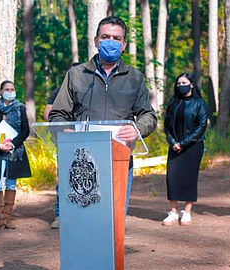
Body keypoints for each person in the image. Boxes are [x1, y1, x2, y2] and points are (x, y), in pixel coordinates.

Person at [49, 16, 157, 216]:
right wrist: (63, 129)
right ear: (96, 41)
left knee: (114, 220)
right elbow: (57, 114)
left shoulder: (134, 78)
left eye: (116, 38)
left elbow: (148, 115)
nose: (111, 42)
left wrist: (137, 129)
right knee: (84, 219)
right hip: (82, 161)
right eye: (105, 37)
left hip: (119, 158)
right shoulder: (76, 75)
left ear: (124, 45)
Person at [0, 80, 32, 231]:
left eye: (12, 89)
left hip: (14, 152)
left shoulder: (20, 108)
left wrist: (13, 144)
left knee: (11, 183)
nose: (9, 91)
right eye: (6, 89)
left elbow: (25, 130)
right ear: (0, 91)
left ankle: (8, 218)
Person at [162, 73, 208, 226]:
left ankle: (187, 211)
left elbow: (201, 126)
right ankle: (173, 212)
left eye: (184, 82)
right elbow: (167, 125)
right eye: (179, 83)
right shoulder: (173, 103)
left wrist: (183, 143)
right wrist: (173, 142)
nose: (181, 85)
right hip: (174, 146)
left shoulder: (199, 103)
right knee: (172, 178)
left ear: (192, 84)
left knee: (189, 178)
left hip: (193, 146)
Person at [44, 87, 61, 229]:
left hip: (90, 140)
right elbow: (47, 114)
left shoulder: (92, 86)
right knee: (64, 180)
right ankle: (60, 215)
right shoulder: (59, 91)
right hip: (64, 141)